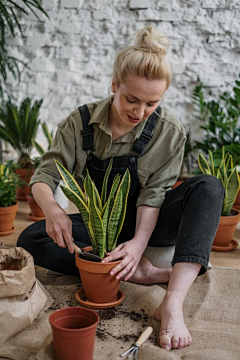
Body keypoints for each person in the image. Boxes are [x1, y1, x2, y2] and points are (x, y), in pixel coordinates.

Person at [17, 26, 224, 351]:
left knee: (210, 187)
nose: (139, 113)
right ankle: (143, 273)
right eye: (131, 99)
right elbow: (44, 176)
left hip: (152, 223)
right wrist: (54, 210)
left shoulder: (170, 132)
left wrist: (139, 244)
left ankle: (172, 300)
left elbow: (154, 196)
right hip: (101, 232)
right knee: (31, 238)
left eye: (152, 103)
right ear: (114, 85)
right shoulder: (79, 123)